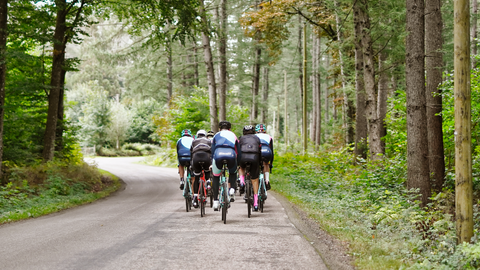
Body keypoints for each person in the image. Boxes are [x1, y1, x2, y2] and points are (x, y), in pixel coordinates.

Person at [211, 120, 239, 210]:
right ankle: (232, 189)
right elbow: (238, 150)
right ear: (229, 129)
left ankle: (215, 201)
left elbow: (212, 150)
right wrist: (238, 163)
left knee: (215, 176)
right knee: (233, 172)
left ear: (219, 128)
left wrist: (212, 162)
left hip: (218, 155)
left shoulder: (216, 135)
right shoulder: (233, 135)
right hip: (230, 155)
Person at [238, 125, 262, 211]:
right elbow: (260, 151)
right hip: (254, 157)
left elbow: (237, 150)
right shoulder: (257, 138)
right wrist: (259, 163)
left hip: (243, 157)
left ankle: (241, 181)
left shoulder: (241, 139)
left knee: (241, 167)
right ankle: (255, 203)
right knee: (255, 180)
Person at [190, 129, 212, 208]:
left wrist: (191, 165)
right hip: (206, 157)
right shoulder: (209, 141)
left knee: (196, 178)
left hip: (196, 158)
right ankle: (208, 182)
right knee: (207, 171)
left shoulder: (194, 141)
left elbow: (191, 153)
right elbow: (212, 151)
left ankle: (195, 198)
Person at [255, 123, 273, 190]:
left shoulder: (254, 136)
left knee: (255, 164)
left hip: (257, 151)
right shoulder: (269, 137)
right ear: (265, 131)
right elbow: (272, 150)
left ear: (256, 131)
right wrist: (271, 163)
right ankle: (267, 180)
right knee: (266, 163)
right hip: (267, 151)